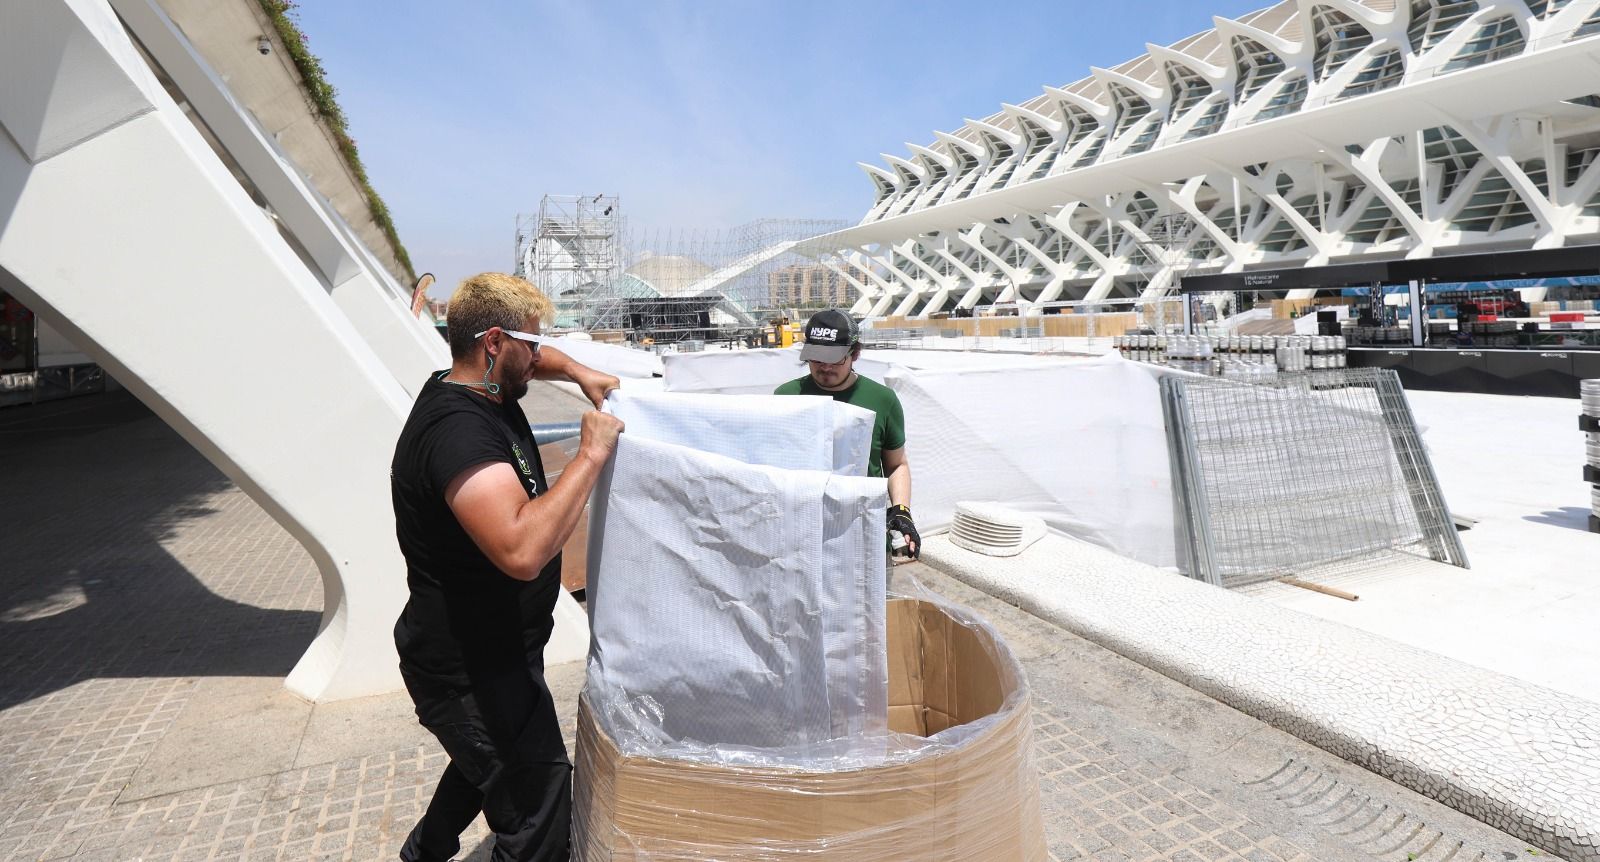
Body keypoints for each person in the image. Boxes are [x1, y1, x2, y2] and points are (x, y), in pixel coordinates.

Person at [391, 273, 623, 862]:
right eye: (530, 342)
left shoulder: (480, 383)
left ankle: (424, 852)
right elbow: (520, 550)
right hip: (467, 670)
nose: (540, 355)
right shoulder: (458, 433)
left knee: (482, 762)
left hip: (498, 651)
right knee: (540, 813)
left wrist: (576, 373)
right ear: (493, 342)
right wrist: (591, 452)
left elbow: (536, 360)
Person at [774, 308, 919, 558]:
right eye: (818, 359)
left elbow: (897, 465)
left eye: (836, 359)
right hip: (801, 534)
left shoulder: (882, 400)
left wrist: (902, 510)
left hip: (863, 530)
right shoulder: (786, 397)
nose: (826, 368)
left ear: (855, 353)